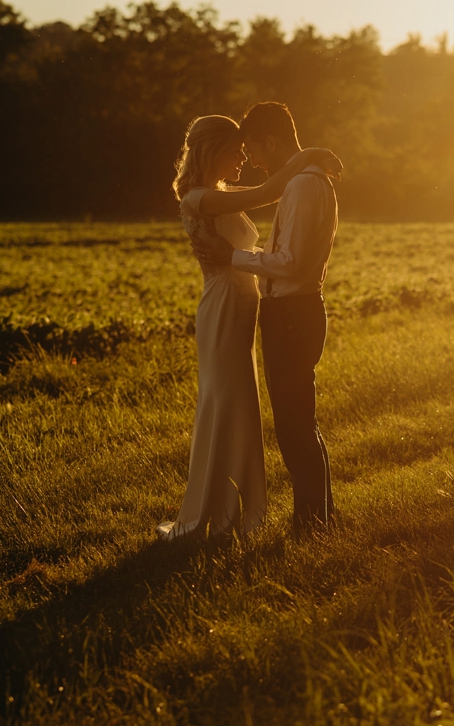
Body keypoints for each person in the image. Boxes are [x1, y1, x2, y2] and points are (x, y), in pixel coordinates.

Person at [157, 114, 341, 541]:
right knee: (225, 400)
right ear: (212, 151)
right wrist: (309, 155)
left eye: (247, 147)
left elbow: (263, 198)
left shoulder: (222, 193)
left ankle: (240, 505)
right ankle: (214, 508)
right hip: (223, 305)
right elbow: (267, 192)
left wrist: (304, 160)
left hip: (247, 305)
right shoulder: (199, 197)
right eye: (236, 149)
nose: (243, 156)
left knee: (243, 402)